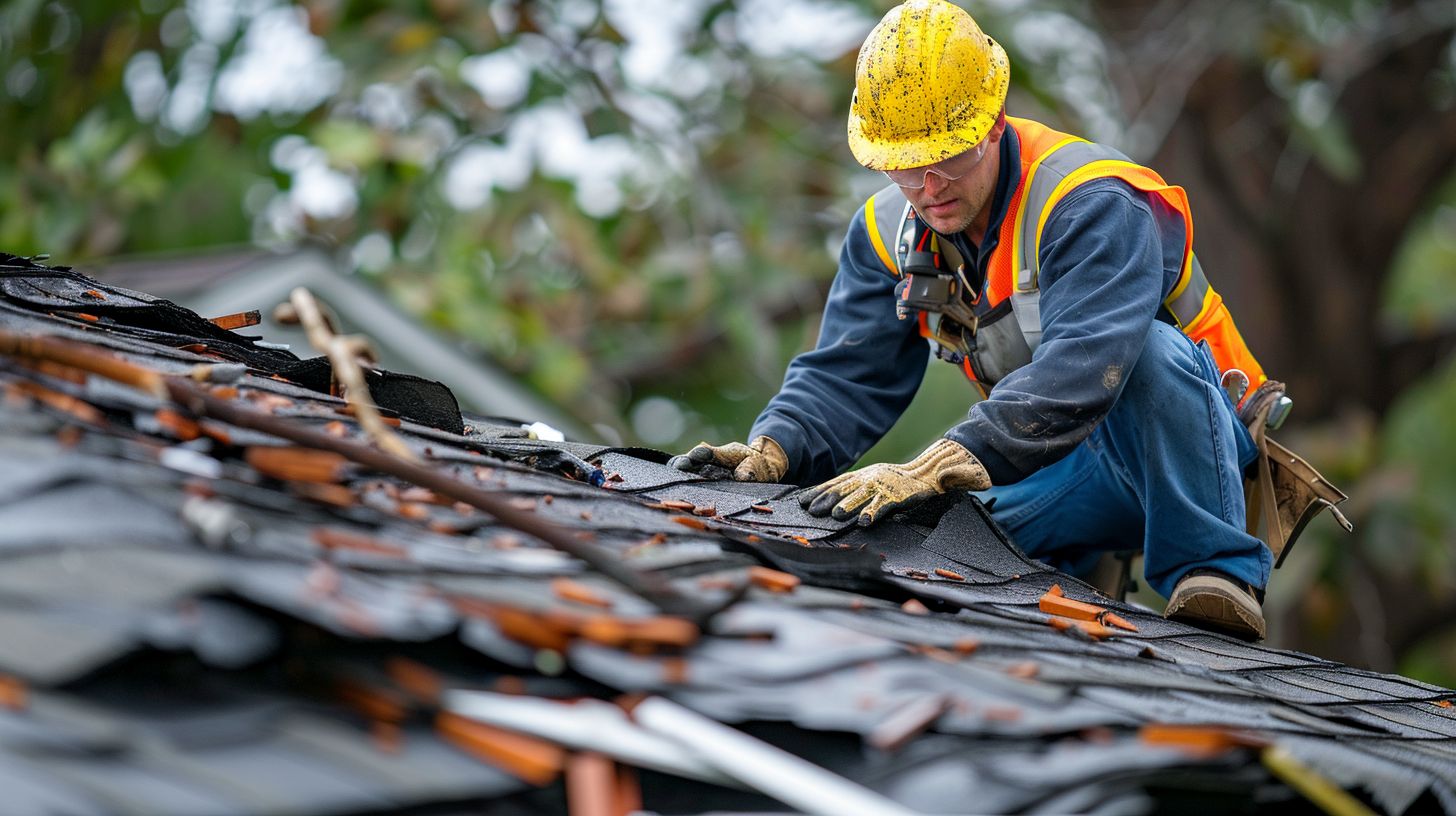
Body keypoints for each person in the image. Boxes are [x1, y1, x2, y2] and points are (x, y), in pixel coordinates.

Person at [672, 0, 1282, 640]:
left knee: (1150, 351)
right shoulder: (886, 234)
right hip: (1057, 467)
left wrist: (940, 463)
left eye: (949, 158)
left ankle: (1216, 571)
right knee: (916, 537)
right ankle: (1054, 590)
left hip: (1193, 457)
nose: (929, 186)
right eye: (906, 165)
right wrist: (777, 447)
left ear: (993, 124)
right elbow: (846, 373)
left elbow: (1084, 368)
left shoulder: (1092, 201)